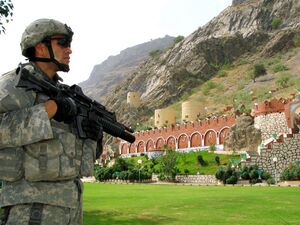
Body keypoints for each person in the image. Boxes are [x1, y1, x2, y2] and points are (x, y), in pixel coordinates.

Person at [0, 18, 103, 225]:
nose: (69, 50)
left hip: (71, 207)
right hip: (31, 210)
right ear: (40, 47)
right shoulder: (14, 85)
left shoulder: (67, 95)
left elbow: (72, 156)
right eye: (62, 43)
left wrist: (95, 137)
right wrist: (50, 110)